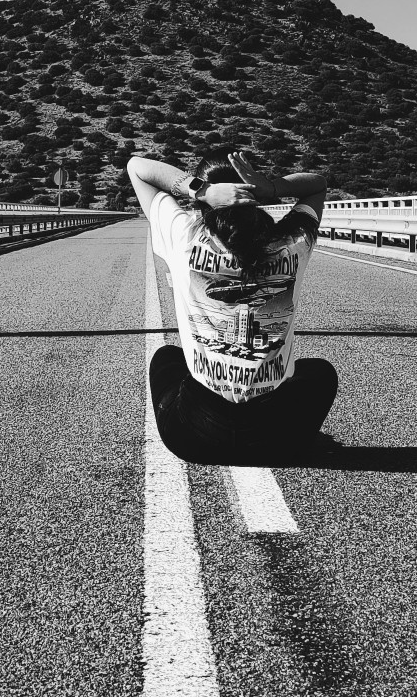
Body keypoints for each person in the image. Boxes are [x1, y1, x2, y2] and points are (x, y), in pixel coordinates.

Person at [128, 146, 338, 463]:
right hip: (278, 442)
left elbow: (137, 167)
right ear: (253, 195)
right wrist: (272, 187)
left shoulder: (184, 235)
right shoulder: (292, 243)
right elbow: (318, 184)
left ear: (202, 204)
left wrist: (200, 190)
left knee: (166, 356)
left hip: (191, 438)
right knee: (319, 372)